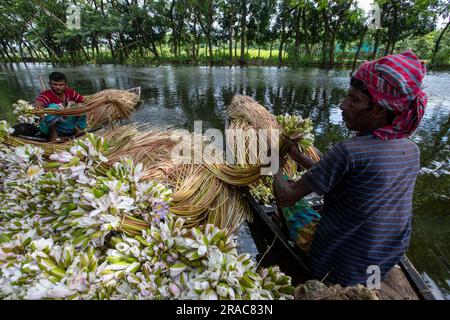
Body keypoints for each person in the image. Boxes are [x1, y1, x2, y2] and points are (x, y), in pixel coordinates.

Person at [272, 50, 427, 287]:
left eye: (354, 100)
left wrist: (271, 160)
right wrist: (298, 156)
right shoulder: (411, 149)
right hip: (384, 260)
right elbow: (351, 177)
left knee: (290, 208)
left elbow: (285, 197)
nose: (343, 106)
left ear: (379, 111)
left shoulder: (349, 150)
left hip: (339, 266)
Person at [34, 72, 86, 141]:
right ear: (50, 84)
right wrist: (38, 107)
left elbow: (82, 100)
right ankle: (54, 136)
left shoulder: (70, 92)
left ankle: (79, 130)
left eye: (61, 85)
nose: (58, 87)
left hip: (68, 125)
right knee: (53, 108)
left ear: (65, 85)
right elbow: (40, 101)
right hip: (52, 128)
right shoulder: (47, 94)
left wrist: (79, 106)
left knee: (82, 106)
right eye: (55, 84)